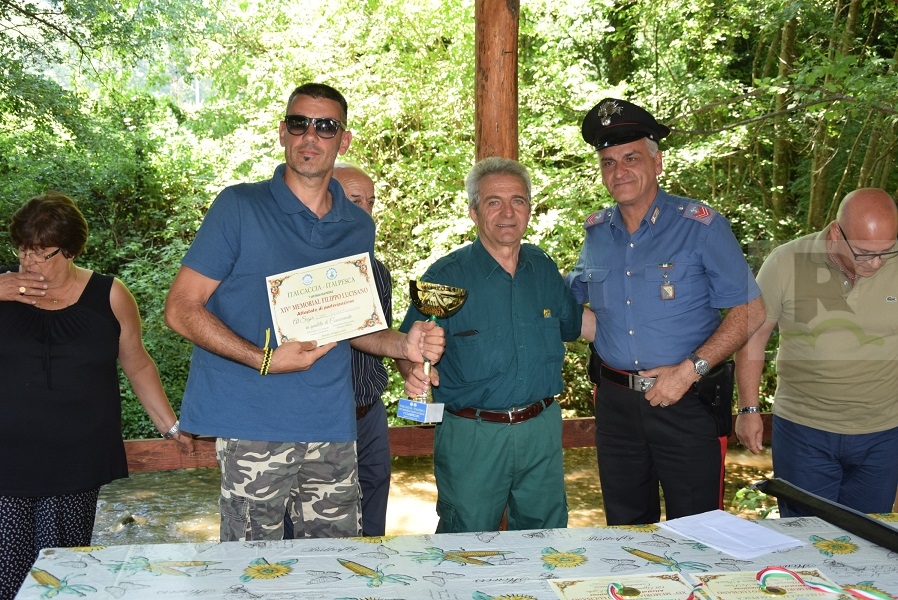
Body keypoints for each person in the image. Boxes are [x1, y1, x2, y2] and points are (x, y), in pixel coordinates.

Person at [164, 83, 443, 542]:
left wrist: (403, 344)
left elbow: (354, 326)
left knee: (335, 566)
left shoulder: (357, 225)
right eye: (300, 123)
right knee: (252, 571)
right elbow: (180, 309)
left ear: (344, 140)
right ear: (283, 132)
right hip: (253, 422)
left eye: (326, 126)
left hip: (330, 423)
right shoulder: (238, 206)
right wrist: (265, 359)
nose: (310, 136)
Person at [566, 98, 766, 526]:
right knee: (625, 530)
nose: (618, 171)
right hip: (616, 405)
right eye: (607, 162)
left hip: (686, 400)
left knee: (699, 531)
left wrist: (689, 370)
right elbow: (565, 304)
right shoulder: (597, 233)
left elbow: (751, 309)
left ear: (657, 163)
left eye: (631, 158)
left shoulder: (701, 225)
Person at [0, 192, 192, 600]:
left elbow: (137, 364)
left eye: (40, 254)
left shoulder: (110, 294)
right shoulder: (1, 286)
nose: (27, 263)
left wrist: (170, 426)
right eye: (21, 250)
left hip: (76, 460)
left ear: (69, 251)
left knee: (62, 575)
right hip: (6, 459)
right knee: (7, 575)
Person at [399, 157, 588, 533]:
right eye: (493, 202)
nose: (507, 212)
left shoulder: (544, 268)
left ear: (530, 209)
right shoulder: (445, 276)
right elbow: (409, 349)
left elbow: (576, 325)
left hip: (542, 429)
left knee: (548, 537)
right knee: (465, 540)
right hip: (473, 435)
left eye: (518, 201)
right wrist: (414, 375)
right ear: (473, 211)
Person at [735, 188, 898, 516]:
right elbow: (753, 336)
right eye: (865, 253)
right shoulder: (785, 262)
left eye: (887, 251)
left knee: (869, 540)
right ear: (837, 233)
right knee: (806, 536)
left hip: (883, 433)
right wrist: (749, 409)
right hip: (804, 430)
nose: (878, 263)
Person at [283, 163, 393, 537]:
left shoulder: (376, 272)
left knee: (373, 519)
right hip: (314, 419)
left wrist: (412, 360)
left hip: (369, 414)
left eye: (372, 202)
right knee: (308, 528)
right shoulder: (299, 276)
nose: (365, 211)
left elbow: (380, 340)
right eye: (355, 200)